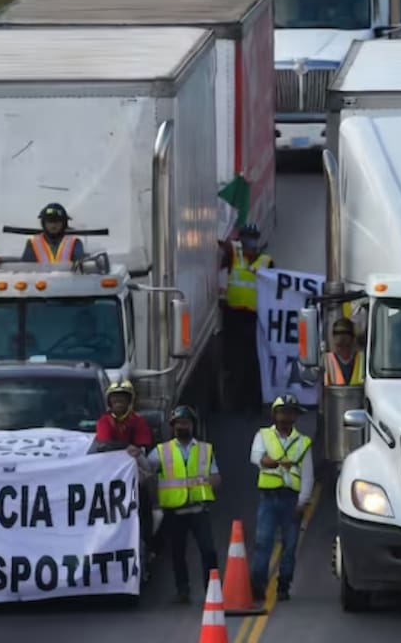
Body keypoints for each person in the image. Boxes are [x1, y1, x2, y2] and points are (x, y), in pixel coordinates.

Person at [149, 405, 220, 603]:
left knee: (209, 551)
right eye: (178, 423)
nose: (182, 426)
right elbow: (146, 471)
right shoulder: (161, 451)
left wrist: (207, 483)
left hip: (198, 510)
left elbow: (216, 476)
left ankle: (212, 589)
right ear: (173, 427)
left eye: (185, 423)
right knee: (177, 553)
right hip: (175, 512)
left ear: (192, 426)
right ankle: (183, 590)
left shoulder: (205, 450)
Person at [250, 394, 314, 601]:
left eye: (291, 412)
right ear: (275, 414)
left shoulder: (303, 442)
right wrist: (272, 462)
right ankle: (257, 587)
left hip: (291, 500)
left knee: (290, 546)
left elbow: (308, 475)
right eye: (283, 412)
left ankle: (283, 586)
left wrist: (302, 502)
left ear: (296, 416)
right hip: (268, 498)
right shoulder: (263, 436)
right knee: (263, 542)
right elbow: (257, 458)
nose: (286, 416)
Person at [95, 379, 156, 549]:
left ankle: (148, 544)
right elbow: (104, 443)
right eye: (115, 399)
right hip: (110, 476)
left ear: (130, 401)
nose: (118, 403)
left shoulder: (138, 421)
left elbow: (142, 445)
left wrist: (136, 449)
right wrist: (125, 447)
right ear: (109, 402)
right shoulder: (104, 421)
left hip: (134, 474)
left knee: (145, 502)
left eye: (122, 399)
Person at [221, 224, 273, 409]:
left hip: (254, 319)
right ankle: (236, 402)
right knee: (235, 360)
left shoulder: (266, 260)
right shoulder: (234, 254)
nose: (249, 241)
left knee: (254, 360)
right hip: (234, 316)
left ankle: (254, 401)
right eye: (246, 237)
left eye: (253, 237)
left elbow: (277, 287)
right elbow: (220, 252)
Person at [324, 317, 365, 386]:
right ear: (333, 341)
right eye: (339, 346)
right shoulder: (327, 361)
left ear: (353, 340)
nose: (343, 351)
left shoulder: (363, 359)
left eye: (347, 346)